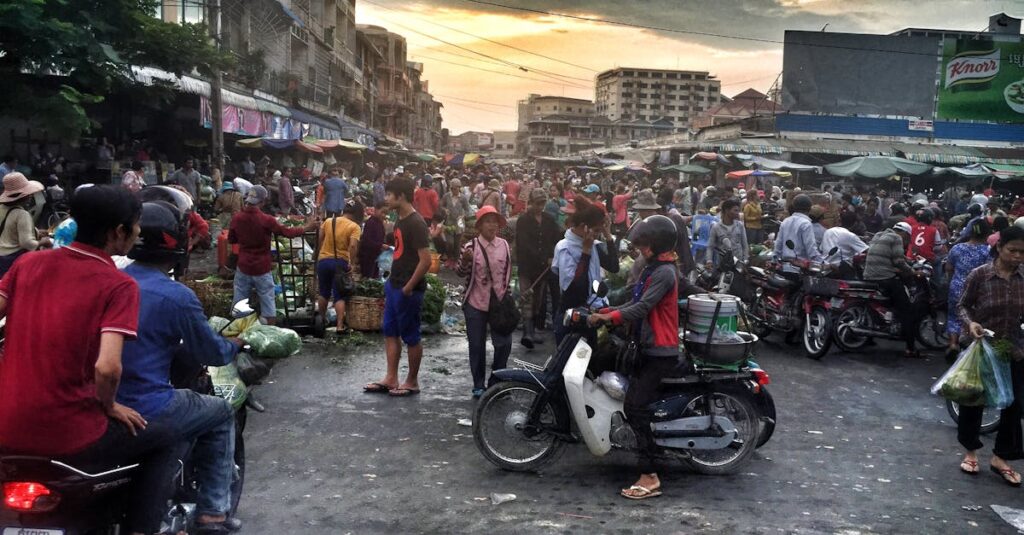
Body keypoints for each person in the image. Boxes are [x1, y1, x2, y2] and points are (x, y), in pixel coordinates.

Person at [0, 185, 180, 534]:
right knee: (166, 437)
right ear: (119, 232)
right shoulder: (117, 285)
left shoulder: (28, 263)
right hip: (70, 433)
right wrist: (109, 405)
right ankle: (142, 528)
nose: (139, 233)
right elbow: (108, 367)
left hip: (7, 425)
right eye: (137, 226)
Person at [120, 200, 244, 533]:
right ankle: (213, 513)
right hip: (147, 403)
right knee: (220, 411)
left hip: (101, 402)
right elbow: (212, 352)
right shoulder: (176, 296)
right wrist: (234, 346)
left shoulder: (112, 281)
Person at [588, 215, 679, 501]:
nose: (639, 248)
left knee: (635, 406)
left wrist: (609, 317)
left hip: (660, 350)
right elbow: (633, 301)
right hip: (646, 346)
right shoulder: (653, 268)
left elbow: (642, 308)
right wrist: (608, 310)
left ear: (657, 243)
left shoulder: (665, 272)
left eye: (644, 243)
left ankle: (650, 475)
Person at [956, 225, 1024, 486]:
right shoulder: (980, 275)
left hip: (1014, 348)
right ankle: (971, 451)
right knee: (974, 400)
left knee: (1015, 403)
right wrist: (970, 324)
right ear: (999, 248)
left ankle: (1001, 457)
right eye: (1012, 251)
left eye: (1022, 252)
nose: (1018, 256)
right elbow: (962, 305)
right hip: (982, 346)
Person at [364, 177, 431, 397]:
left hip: (408, 288)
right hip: (394, 284)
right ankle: (391, 377)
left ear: (401, 196)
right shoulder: (400, 219)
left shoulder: (416, 223)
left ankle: (412, 381)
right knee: (390, 331)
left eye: (389, 195)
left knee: (411, 335)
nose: (386, 199)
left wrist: (409, 287)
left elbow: (426, 260)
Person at [229, 185, 317, 325]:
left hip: (244, 265)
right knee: (267, 299)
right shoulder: (267, 220)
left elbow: (232, 239)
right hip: (262, 266)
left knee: (240, 298)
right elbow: (287, 233)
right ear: (263, 202)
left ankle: (237, 329)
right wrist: (306, 228)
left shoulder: (237, 218)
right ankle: (270, 328)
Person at [457, 206, 513, 398]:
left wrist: (508, 297)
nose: (492, 225)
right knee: (477, 345)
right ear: (480, 225)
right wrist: (465, 261)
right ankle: (479, 384)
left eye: (495, 221)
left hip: (499, 302)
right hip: (475, 302)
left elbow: (506, 273)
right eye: (488, 221)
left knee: (504, 344)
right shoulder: (470, 247)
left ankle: (496, 381)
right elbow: (460, 273)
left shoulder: (504, 245)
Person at [551, 196, 610, 345]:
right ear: (584, 227)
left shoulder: (593, 244)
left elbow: (613, 266)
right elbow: (575, 287)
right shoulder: (565, 247)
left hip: (590, 313)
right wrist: (585, 252)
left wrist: (608, 236)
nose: (598, 234)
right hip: (570, 315)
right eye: (596, 230)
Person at [863, 222, 921, 358]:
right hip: (884, 278)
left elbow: (893, 256)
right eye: (907, 239)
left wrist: (910, 260)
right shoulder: (897, 238)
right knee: (907, 310)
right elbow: (898, 262)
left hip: (868, 277)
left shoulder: (879, 235)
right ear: (905, 234)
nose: (906, 242)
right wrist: (913, 271)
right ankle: (910, 348)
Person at [515, 188, 562, 349]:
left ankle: (533, 330)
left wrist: (553, 255)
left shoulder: (549, 219)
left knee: (538, 300)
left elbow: (557, 238)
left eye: (542, 203)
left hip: (543, 268)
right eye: (537, 204)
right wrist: (544, 258)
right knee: (527, 297)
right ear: (531, 203)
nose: (540, 207)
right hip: (527, 266)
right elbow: (524, 244)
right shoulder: (523, 220)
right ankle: (527, 332)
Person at [944, 218, 992, 362]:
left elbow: (949, 268)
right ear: (986, 234)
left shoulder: (957, 248)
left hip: (956, 286)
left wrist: (954, 281)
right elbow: (989, 271)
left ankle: (953, 343)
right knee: (973, 318)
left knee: (954, 316)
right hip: (977, 291)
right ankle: (969, 348)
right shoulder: (987, 251)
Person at [317, 199, 363, 333]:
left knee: (323, 292)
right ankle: (339, 326)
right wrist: (351, 263)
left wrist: (322, 254)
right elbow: (353, 246)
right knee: (339, 295)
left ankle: (322, 320)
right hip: (340, 263)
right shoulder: (354, 227)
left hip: (323, 261)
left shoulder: (328, 221)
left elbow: (320, 239)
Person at [0, 172, 52, 277]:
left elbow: (9, 228)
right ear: (24, 196)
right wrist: (43, 242)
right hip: (12, 259)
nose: (31, 196)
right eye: (29, 194)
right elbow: (26, 243)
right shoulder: (22, 214)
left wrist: (36, 232)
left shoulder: (1, 208)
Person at [774, 194, 823, 276]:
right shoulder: (806, 223)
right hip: (800, 268)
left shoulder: (786, 221)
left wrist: (774, 261)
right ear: (809, 208)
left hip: (784, 267)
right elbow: (811, 249)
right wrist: (822, 263)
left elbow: (778, 245)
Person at [705, 199, 748, 269]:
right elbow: (710, 246)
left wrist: (745, 259)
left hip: (738, 263)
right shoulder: (716, 227)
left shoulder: (740, 225)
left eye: (738, 210)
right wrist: (709, 261)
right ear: (726, 210)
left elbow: (745, 245)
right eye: (735, 210)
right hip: (722, 264)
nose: (738, 213)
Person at [357, 201, 387, 279]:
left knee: (374, 278)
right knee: (367, 278)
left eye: (386, 213)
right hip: (367, 257)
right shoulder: (370, 222)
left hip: (376, 257)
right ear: (376, 210)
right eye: (382, 212)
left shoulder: (380, 224)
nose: (384, 215)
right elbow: (367, 240)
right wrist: (380, 245)